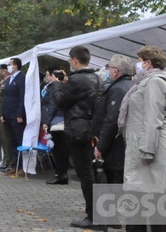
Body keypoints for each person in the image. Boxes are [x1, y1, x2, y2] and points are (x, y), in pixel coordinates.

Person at [118, 45, 166, 232]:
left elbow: (153, 118)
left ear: (148, 63)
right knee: (141, 207)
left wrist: (146, 151)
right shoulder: (145, 82)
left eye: (139, 61)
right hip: (145, 150)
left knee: (159, 210)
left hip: (152, 153)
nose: (137, 65)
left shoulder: (154, 82)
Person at [52, 46, 102, 229]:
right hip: (93, 128)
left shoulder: (77, 80)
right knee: (94, 173)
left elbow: (60, 100)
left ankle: (92, 216)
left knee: (85, 174)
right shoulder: (97, 78)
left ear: (74, 60)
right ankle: (100, 214)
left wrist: (56, 84)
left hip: (78, 130)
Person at [91, 54, 134, 184]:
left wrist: (100, 146)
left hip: (115, 148)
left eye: (109, 67)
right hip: (121, 145)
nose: (107, 71)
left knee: (114, 184)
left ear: (115, 71)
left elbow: (111, 120)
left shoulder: (118, 90)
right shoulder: (130, 86)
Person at [1, 58, 26, 177]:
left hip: (16, 116)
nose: (8, 67)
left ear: (15, 66)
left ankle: (21, 167)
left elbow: (22, 98)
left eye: (9, 65)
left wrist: (20, 114)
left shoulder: (21, 78)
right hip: (8, 115)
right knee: (11, 142)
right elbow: (5, 98)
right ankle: (14, 165)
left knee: (18, 141)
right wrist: (3, 113)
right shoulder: (10, 79)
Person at [42, 69, 68, 184]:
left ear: (54, 77)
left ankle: (60, 174)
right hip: (59, 120)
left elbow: (52, 105)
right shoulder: (61, 87)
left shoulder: (55, 87)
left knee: (59, 150)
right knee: (60, 150)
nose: (47, 77)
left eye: (49, 75)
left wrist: (46, 121)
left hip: (57, 121)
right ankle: (61, 173)